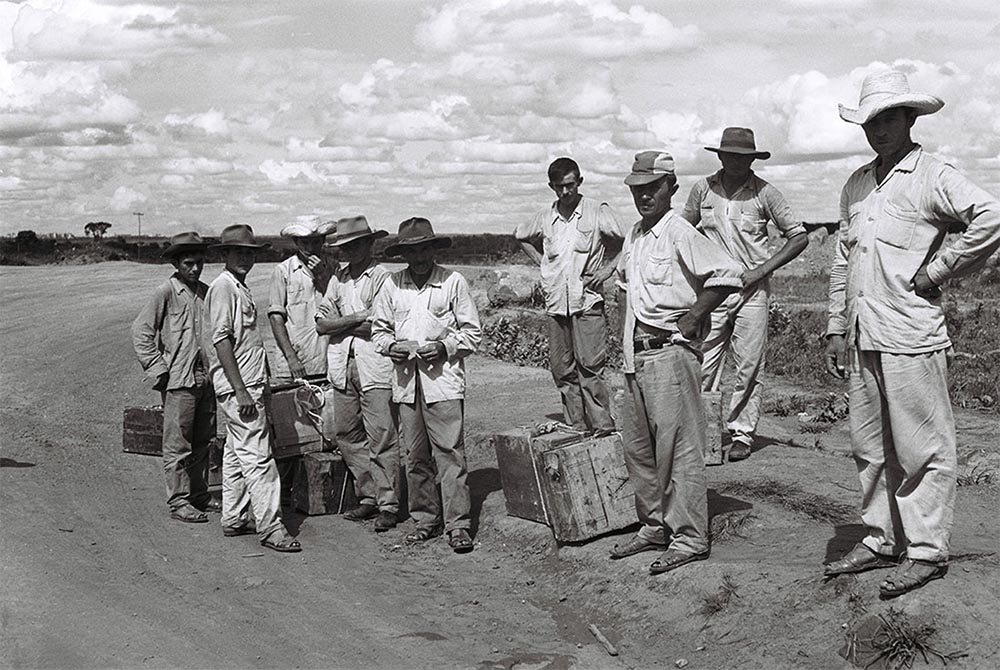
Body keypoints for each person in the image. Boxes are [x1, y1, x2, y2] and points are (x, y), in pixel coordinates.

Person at [823, 70, 1000, 596]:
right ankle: (880, 538)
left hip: (910, 333)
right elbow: (841, 258)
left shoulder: (932, 175)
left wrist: (939, 270)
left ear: (909, 119)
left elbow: (990, 216)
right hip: (862, 332)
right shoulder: (856, 183)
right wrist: (835, 326)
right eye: (870, 120)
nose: (878, 129)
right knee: (869, 447)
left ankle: (925, 551)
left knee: (923, 447)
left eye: (888, 118)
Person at [611, 151, 743, 574]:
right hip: (636, 356)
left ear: (671, 187)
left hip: (670, 353)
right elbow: (622, 287)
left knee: (679, 449)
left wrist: (692, 319)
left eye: (652, 188)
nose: (644, 196)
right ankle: (654, 525)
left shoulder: (679, 231)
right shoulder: (635, 234)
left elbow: (726, 273)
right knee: (639, 449)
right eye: (638, 189)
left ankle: (688, 536)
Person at [681, 127, 808, 462]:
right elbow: (680, 231)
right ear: (720, 156)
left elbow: (798, 237)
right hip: (713, 292)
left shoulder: (765, 194)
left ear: (752, 159)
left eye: (743, 157)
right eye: (730, 155)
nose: (736, 162)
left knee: (749, 367)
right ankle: (700, 432)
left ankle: (741, 433)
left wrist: (761, 270)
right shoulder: (702, 190)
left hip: (752, 292)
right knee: (703, 362)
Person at [372, 217, 482, 553]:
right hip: (407, 384)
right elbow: (379, 332)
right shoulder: (392, 285)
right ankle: (426, 519)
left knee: (449, 454)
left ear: (433, 249)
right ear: (403, 254)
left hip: (443, 383)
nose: (419, 257)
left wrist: (444, 347)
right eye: (411, 251)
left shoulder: (452, 282)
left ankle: (458, 525)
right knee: (416, 455)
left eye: (424, 249)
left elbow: (472, 333)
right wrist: (393, 347)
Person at [204, 224, 301, 553]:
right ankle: (271, 527)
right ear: (224, 255)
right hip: (240, 389)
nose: (245, 258)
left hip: (249, 384)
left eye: (250, 253)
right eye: (238, 252)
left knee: (235, 453)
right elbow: (221, 342)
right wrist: (241, 390)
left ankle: (233, 517)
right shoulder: (223, 288)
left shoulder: (237, 286)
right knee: (259, 459)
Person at [514, 158, 624, 435]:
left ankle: (602, 427)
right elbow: (521, 236)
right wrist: (542, 262)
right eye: (560, 187)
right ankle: (577, 427)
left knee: (590, 367)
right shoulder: (545, 216)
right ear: (552, 186)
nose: (566, 192)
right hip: (556, 304)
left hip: (586, 301)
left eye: (570, 185)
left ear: (580, 182)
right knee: (562, 370)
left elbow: (629, 240)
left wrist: (608, 270)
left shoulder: (597, 211)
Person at [315, 216, 400, 530]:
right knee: (348, 434)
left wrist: (342, 322)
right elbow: (321, 323)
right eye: (344, 246)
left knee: (382, 436)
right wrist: (355, 317)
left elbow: (377, 325)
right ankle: (369, 496)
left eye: (354, 245)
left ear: (369, 244)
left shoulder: (381, 278)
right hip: (342, 364)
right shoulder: (338, 278)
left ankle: (389, 504)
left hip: (374, 364)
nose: (348, 251)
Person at [131, 232, 219, 523]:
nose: (195, 269)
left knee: (204, 441)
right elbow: (141, 332)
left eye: (199, 263)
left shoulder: (206, 293)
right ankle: (179, 500)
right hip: (179, 380)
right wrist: (158, 369)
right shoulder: (165, 292)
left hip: (206, 377)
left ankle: (199, 495)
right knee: (178, 443)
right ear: (176, 264)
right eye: (188, 263)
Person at [268, 218, 336, 380]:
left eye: (315, 242)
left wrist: (323, 275)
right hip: (294, 363)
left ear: (323, 241)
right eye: (305, 242)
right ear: (296, 242)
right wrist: (291, 358)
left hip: (328, 359)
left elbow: (339, 303)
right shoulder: (283, 271)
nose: (310, 248)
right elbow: (276, 318)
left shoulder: (334, 267)